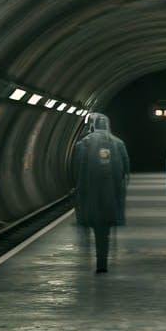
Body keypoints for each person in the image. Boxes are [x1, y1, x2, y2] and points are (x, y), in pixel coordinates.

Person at [72, 113, 129, 273]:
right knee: (105, 230)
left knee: (93, 226)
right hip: (110, 195)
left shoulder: (83, 144)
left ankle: (97, 259)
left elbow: (76, 169)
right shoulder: (118, 143)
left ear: (94, 125)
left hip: (89, 194)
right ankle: (102, 262)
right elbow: (125, 169)